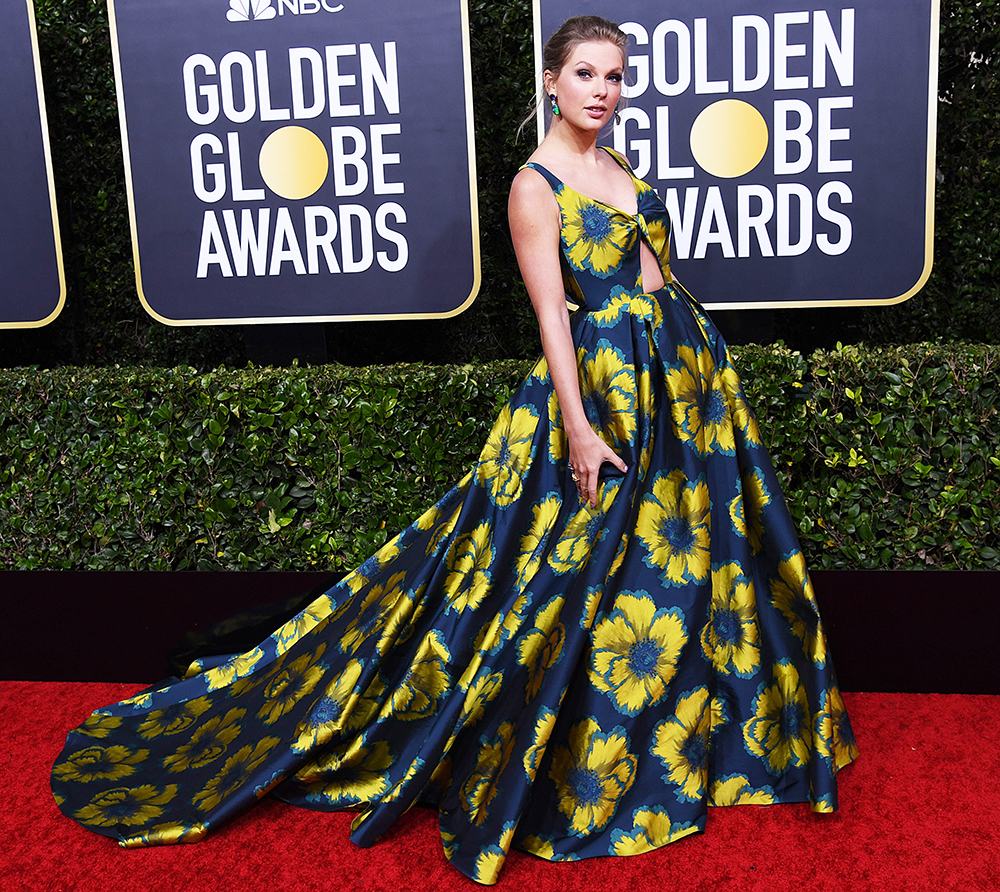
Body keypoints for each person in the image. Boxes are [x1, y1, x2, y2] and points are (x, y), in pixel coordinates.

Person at [50, 16, 857, 886]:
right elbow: (556, 313)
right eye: (586, 73)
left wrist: (691, 370)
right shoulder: (534, 186)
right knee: (593, 574)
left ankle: (705, 740)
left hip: (682, 382)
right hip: (608, 392)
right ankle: (595, 758)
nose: (603, 90)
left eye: (616, 76)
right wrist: (581, 427)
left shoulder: (622, 168)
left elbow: (658, 276)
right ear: (552, 81)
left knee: (696, 559)